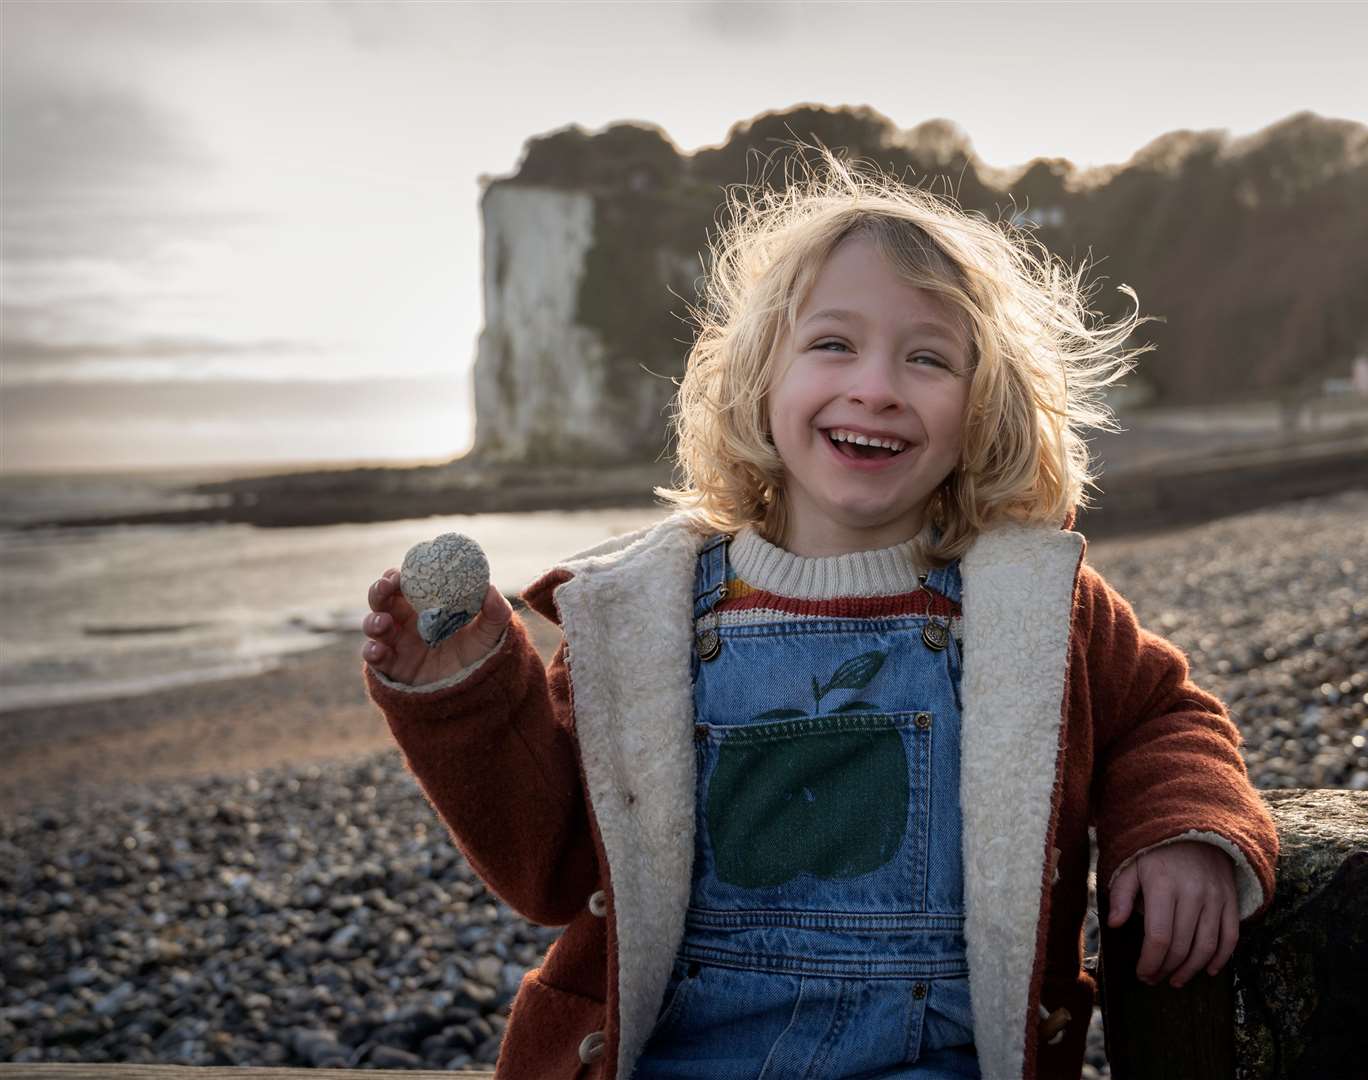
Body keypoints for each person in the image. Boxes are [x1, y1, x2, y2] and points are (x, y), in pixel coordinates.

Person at [360, 148, 1278, 1080]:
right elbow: (547, 867)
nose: (876, 385)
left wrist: (1180, 830)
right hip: (682, 1056)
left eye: (928, 358)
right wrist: (471, 696)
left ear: (985, 408)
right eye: (832, 343)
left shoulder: (1032, 606)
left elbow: (1165, 716)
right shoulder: (643, 613)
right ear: (760, 378)